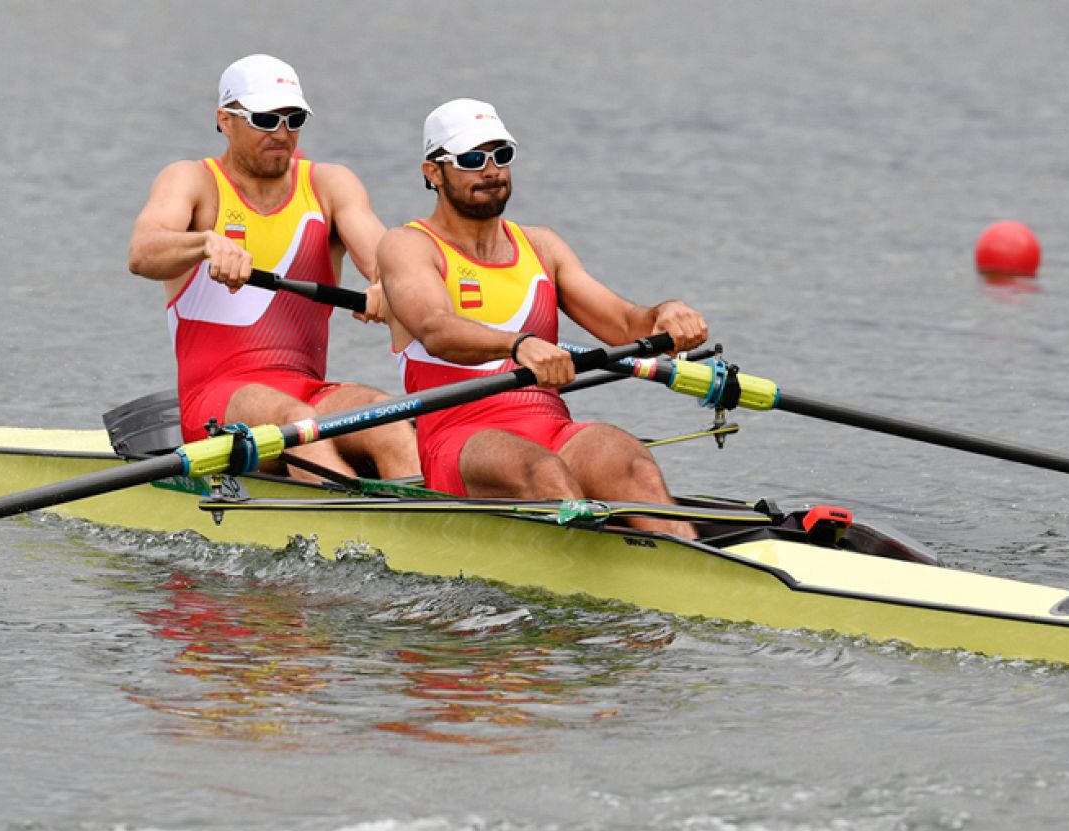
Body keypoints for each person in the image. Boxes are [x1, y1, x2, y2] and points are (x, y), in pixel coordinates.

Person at [377, 98, 710, 536]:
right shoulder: (407, 245)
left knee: (630, 462)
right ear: (433, 172)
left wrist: (667, 313)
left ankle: (690, 565)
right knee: (545, 474)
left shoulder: (543, 247)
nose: (491, 170)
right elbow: (435, 329)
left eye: (502, 155)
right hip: (460, 437)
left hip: (551, 426)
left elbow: (627, 324)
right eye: (472, 159)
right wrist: (518, 344)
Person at [128, 54, 419, 480]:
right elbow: (142, 253)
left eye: (293, 119)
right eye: (265, 119)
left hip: (307, 389)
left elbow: (390, 265)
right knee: (301, 428)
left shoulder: (329, 185)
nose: (282, 134)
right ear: (225, 119)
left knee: (388, 420)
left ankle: (434, 525)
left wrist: (386, 287)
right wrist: (205, 243)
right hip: (215, 402)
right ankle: (354, 529)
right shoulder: (192, 181)